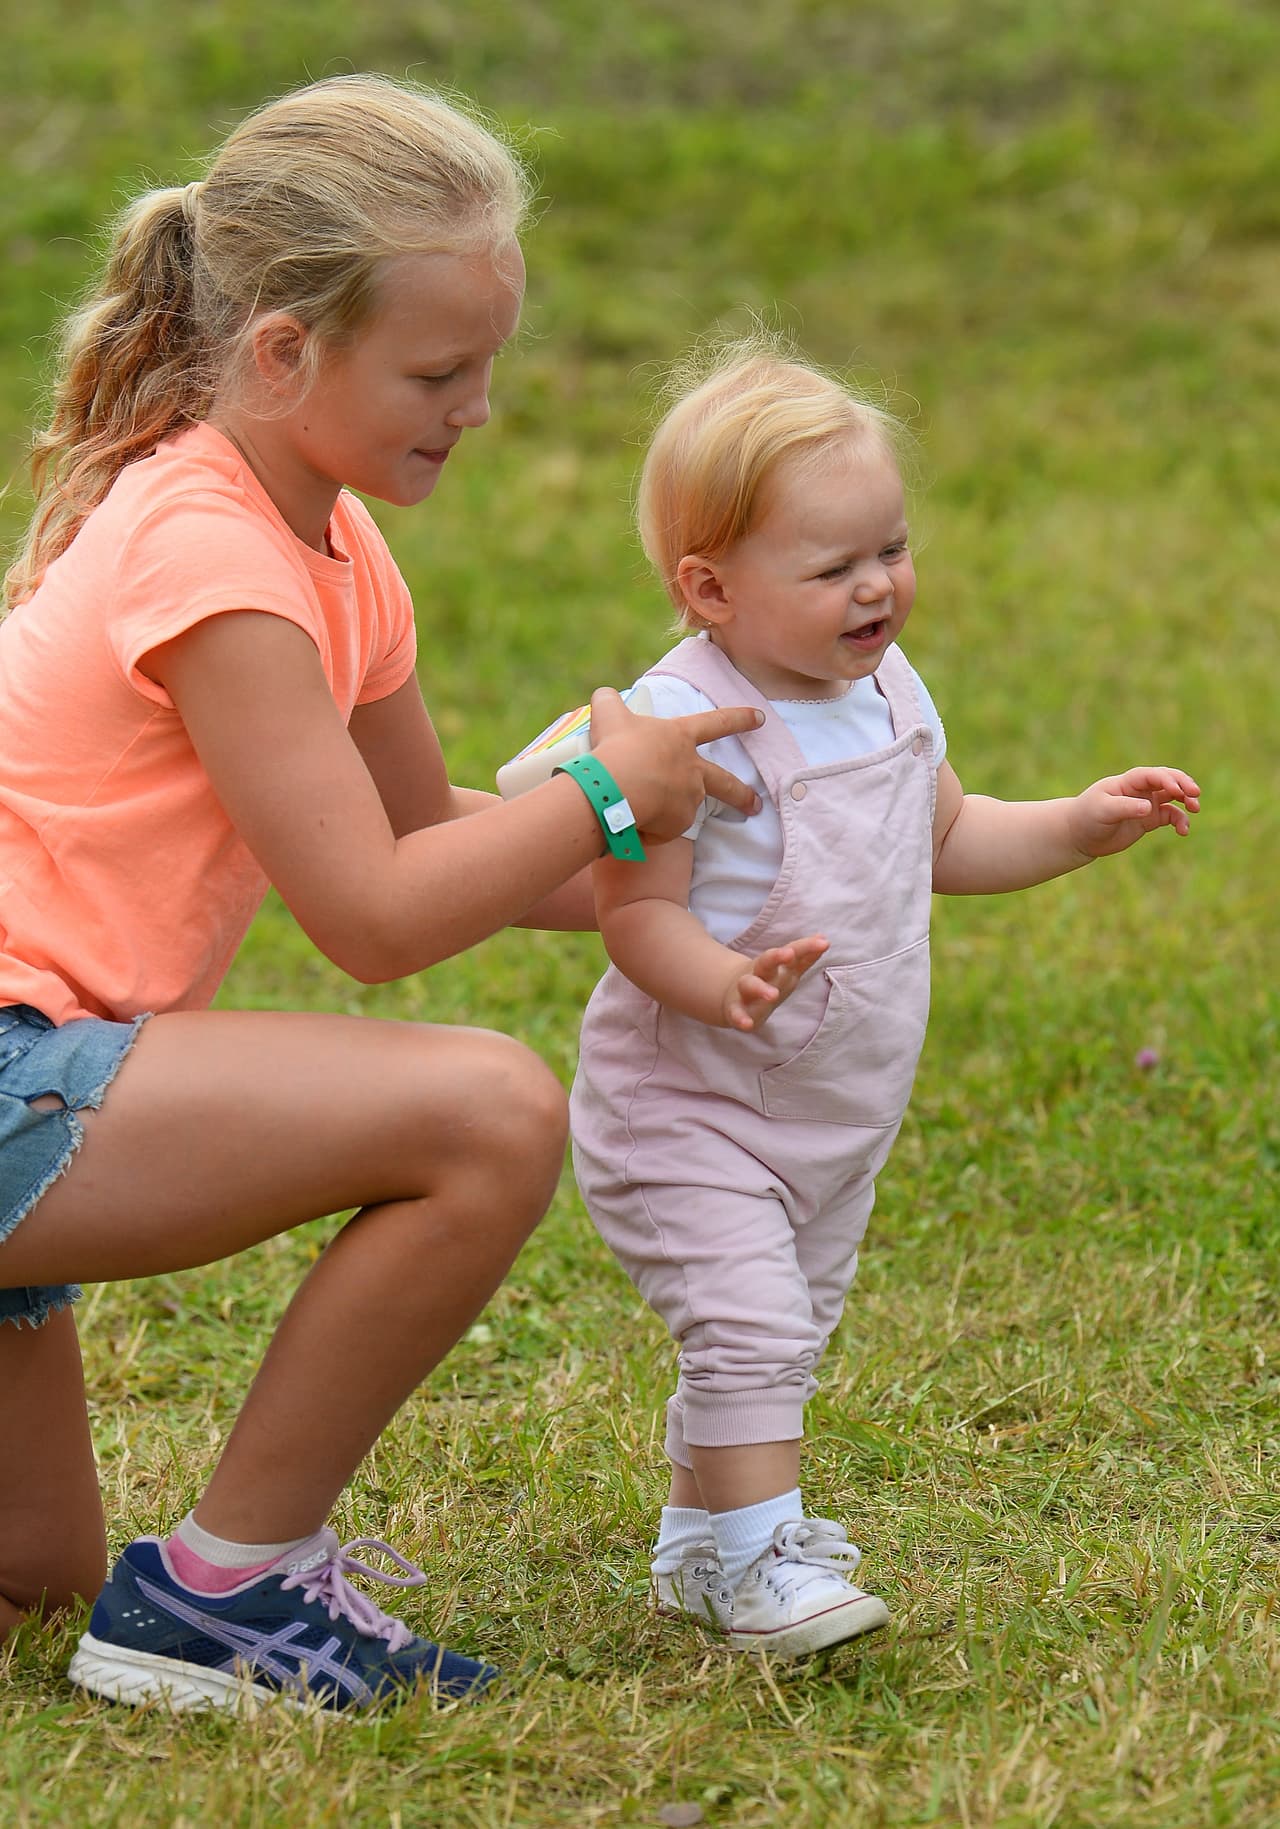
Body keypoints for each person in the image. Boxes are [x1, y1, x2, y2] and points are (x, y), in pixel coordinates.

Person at [0, 74, 764, 1714]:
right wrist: (602, 789)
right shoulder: (212, 559)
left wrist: (709, 866)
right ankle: (226, 1591)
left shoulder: (332, 541)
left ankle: (162, 1594)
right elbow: (377, 915)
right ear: (285, 353)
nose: (477, 406)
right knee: (486, 1108)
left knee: (28, 1577)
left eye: (485, 364)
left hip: (41, 1064)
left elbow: (437, 837)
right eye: (438, 370)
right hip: (13, 1064)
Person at [568, 341, 1200, 1658]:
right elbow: (635, 917)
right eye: (833, 566)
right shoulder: (682, 722)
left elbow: (946, 839)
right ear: (709, 587)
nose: (878, 587)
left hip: (830, 1114)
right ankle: (755, 1562)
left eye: (891, 549)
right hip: (691, 1106)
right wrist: (720, 980)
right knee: (745, 1319)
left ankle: (700, 1544)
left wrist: (1077, 827)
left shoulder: (887, 692)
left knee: (780, 1333)